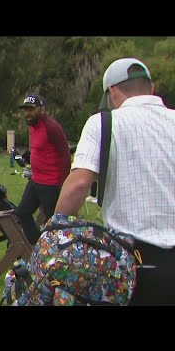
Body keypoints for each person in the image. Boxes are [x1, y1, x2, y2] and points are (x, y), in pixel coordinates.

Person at [54, 58, 175, 306]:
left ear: (111, 91)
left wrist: (53, 230)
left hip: (133, 258)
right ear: (151, 89)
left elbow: (79, 184)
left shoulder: (103, 123)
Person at [15, 94, 71, 245]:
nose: (27, 113)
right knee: (22, 213)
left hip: (51, 184)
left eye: (31, 109)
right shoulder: (32, 128)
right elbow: (38, 150)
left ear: (42, 109)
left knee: (53, 223)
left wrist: (64, 183)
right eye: (25, 110)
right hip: (35, 180)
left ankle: (55, 255)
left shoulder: (52, 127)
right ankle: (38, 246)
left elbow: (65, 154)